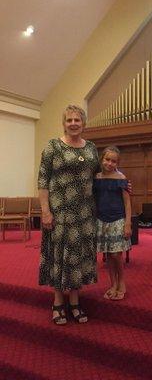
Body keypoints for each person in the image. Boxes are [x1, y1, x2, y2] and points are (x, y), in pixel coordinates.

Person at [38, 104, 100, 325]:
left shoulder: (91, 148)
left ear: (84, 123)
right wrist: (45, 211)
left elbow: (100, 177)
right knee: (59, 256)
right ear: (64, 123)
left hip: (84, 214)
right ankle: (57, 303)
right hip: (59, 213)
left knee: (78, 257)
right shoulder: (53, 147)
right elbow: (43, 181)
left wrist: (122, 183)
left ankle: (74, 302)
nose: (73, 124)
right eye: (69, 120)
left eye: (77, 120)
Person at [93, 146, 132, 301]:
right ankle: (112, 283)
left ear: (117, 163)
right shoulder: (96, 178)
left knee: (116, 254)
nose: (109, 163)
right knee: (108, 254)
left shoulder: (121, 178)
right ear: (102, 159)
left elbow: (127, 203)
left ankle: (121, 281)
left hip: (118, 219)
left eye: (113, 161)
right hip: (101, 220)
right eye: (107, 159)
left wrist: (128, 223)